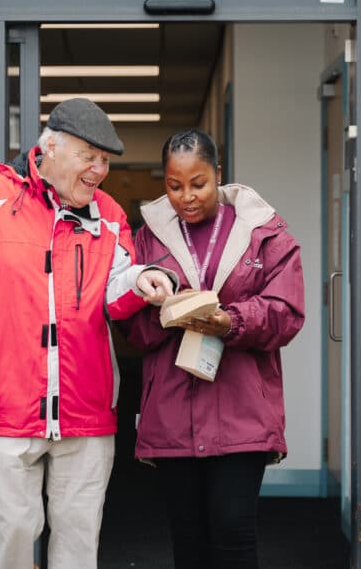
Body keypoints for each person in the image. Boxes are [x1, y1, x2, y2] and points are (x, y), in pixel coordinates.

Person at [0, 97, 176, 569]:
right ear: (51, 148)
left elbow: (114, 293)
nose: (100, 170)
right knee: (11, 537)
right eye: (90, 157)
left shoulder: (109, 214)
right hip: (6, 407)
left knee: (79, 543)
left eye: (105, 160)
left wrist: (142, 281)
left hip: (86, 410)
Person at [118, 129, 305, 569]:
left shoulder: (264, 232)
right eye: (173, 185)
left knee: (234, 535)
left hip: (242, 411)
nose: (187, 196)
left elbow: (287, 312)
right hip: (172, 412)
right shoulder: (147, 238)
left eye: (198, 183)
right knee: (189, 542)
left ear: (218, 175)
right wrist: (165, 311)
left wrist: (229, 321)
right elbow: (129, 325)